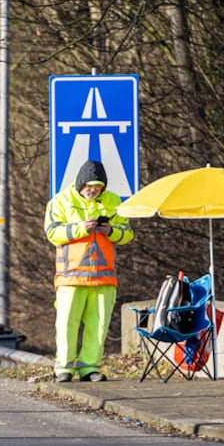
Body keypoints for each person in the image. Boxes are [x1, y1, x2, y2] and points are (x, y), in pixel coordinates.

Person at [44, 159, 134, 382]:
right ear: (80, 183)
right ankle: (64, 368)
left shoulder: (113, 201)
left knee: (99, 325)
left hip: (103, 277)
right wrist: (81, 228)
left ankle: (89, 368)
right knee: (66, 324)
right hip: (71, 275)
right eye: (90, 186)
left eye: (98, 187)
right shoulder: (61, 201)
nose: (93, 190)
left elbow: (127, 233)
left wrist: (110, 231)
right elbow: (52, 233)